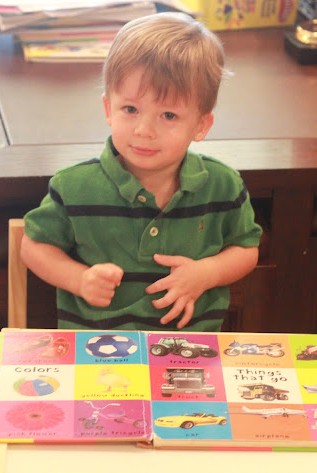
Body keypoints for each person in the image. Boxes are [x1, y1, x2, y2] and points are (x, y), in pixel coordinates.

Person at [21, 12, 262, 332]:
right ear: (108, 109)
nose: (144, 130)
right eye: (131, 109)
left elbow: (246, 248)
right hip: (95, 350)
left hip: (190, 349)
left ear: (201, 125)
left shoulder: (223, 185)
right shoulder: (74, 186)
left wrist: (208, 273)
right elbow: (33, 246)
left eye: (169, 115)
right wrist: (79, 279)